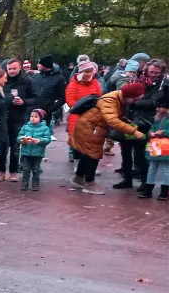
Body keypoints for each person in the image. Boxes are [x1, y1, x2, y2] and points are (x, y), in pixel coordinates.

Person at [70, 82, 146, 195]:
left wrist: (128, 122)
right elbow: (112, 120)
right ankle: (89, 183)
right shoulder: (110, 100)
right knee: (94, 154)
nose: (136, 102)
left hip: (93, 126)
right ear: (128, 96)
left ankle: (78, 179)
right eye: (135, 99)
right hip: (91, 127)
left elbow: (115, 115)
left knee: (89, 153)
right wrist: (133, 131)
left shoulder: (118, 98)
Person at [117, 59, 169, 193]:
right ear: (146, 70)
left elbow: (153, 102)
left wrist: (134, 101)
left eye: (157, 72)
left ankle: (145, 181)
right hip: (130, 118)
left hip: (146, 121)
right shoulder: (138, 79)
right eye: (151, 71)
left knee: (140, 152)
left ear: (161, 72)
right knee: (125, 150)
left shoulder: (164, 84)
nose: (153, 74)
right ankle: (127, 179)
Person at [0, 58, 36, 182]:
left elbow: (35, 98)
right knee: (2, 145)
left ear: (20, 68)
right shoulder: (2, 79)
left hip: (18, 117)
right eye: (9, 69)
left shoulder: (27, 80)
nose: (12, 71)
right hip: (3, 116)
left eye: (14, 69)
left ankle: (13, 172)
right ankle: (0, 171)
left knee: (15, 145)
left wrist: (24, 102)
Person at [66, 61, 103, 167]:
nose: (88, 74)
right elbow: (70, 100)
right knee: (78, 142)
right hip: (77, 116)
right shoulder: (73, 84)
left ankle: (89, 166)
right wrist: (83, 107)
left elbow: (99, 96)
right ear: (81, 72)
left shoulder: (95, 83)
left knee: (91, 142)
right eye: (86, 71)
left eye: (90, 71)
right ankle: (77, 165)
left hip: (92, 116)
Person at [31, 54, 66, 136]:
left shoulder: (59, 78)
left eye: (39, 63)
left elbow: (63, 97)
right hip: (31, 112)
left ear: (45, 65)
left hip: (45, 113)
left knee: (39, 138)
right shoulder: (36, 76)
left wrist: (50, 109)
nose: (37, 65)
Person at [17, 109, 52, 191]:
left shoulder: (45, 128)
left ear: (40, 118)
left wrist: (40, 141)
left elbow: (47, 139)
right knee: (26, 169)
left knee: (36, 169)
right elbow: (19, 137)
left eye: (36, 117)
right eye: (31, 116)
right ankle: (24, 184)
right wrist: (22, 140)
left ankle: (35, 184)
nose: (33, 118)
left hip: (38, 153)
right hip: (26, 152)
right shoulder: (25, 127)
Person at [141, 106, 169, 200]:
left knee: (166, 169)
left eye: (161, 107)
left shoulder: (162, 118)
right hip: (156, 146)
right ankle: (148, 190)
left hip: (166, 147)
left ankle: (164, 191)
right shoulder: (158, 118)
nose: (158, 109)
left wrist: (164, 132)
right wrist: (151, 133)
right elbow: (152, 128)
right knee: (152, 168)